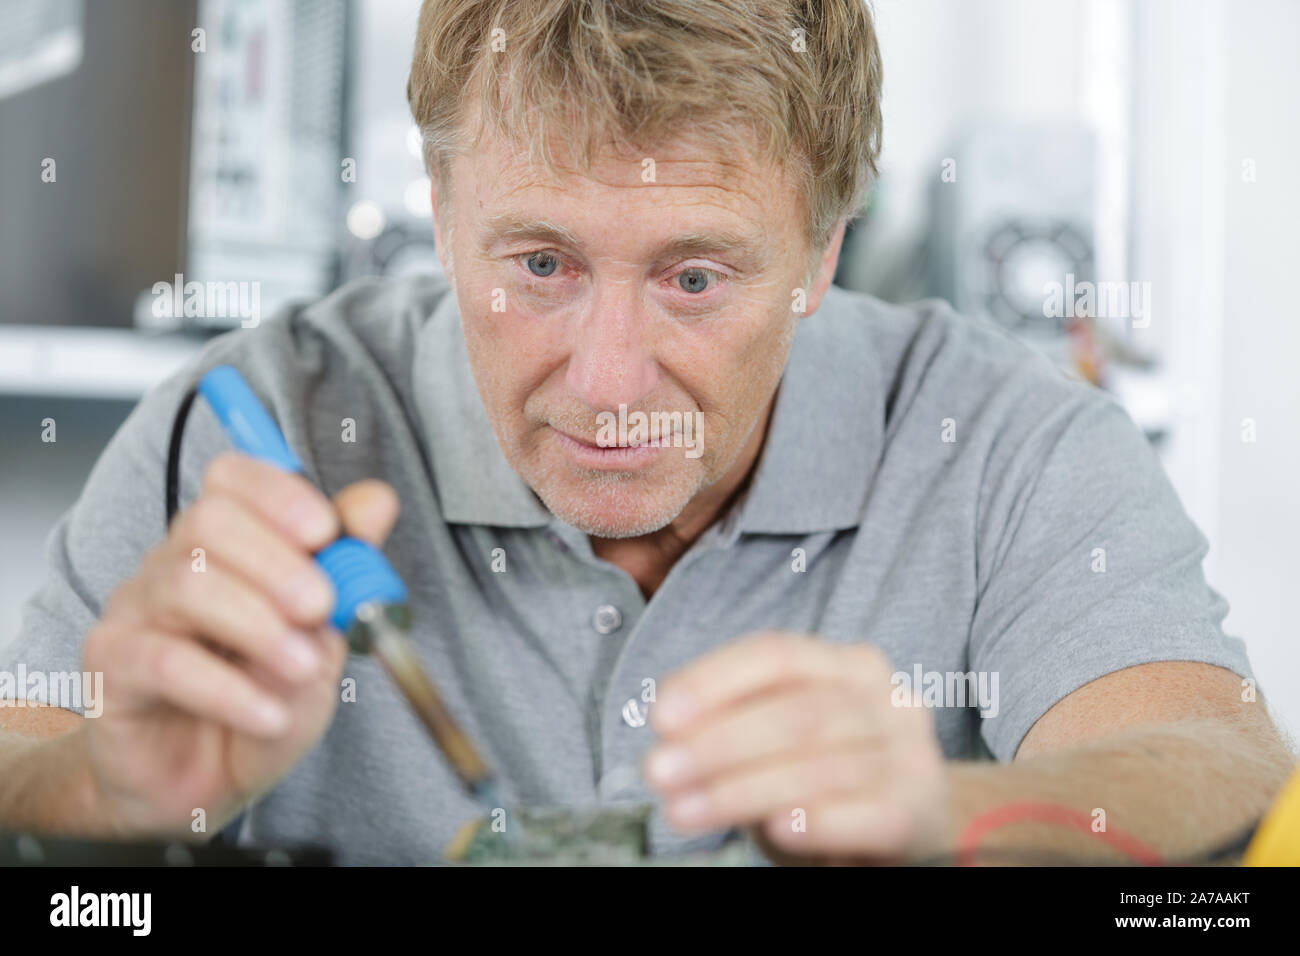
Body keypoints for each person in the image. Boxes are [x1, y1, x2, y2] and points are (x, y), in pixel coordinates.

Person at [0, 0, 1292, 865]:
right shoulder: (254, 421)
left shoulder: (1013, 440)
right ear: (444, 210)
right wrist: (104, 796)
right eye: (544, 263)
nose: (611, 378)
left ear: (825, 249)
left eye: (695, 278)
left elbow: (1215, 759)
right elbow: (26, 757)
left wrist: (941, 822)